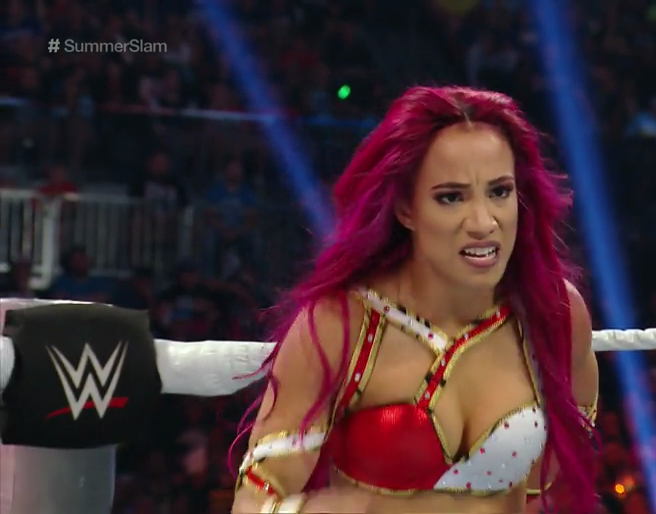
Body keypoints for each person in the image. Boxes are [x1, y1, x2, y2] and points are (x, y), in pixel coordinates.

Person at [230, 86, 600, 514]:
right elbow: (257, 496)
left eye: (499, 191)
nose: (483, 222)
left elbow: (564, 474)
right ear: (406, 208)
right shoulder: (340, 322)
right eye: (451, 197)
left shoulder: (554, 311)